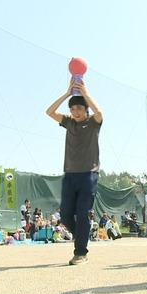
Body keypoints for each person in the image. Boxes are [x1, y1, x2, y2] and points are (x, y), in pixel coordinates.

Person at [46, 77, 103, 266]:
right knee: (65, 215)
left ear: (85, 109)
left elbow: (99, 112)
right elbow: (50, 111)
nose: (75, 112)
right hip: (69, 174)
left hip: (89, 174)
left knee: (82, 212)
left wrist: (85, 93)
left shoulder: (94, 123)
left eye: (79, 108)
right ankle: (83, 235)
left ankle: (80, 252)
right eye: (72, 109)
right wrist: (67, 93)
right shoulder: (69, 122)